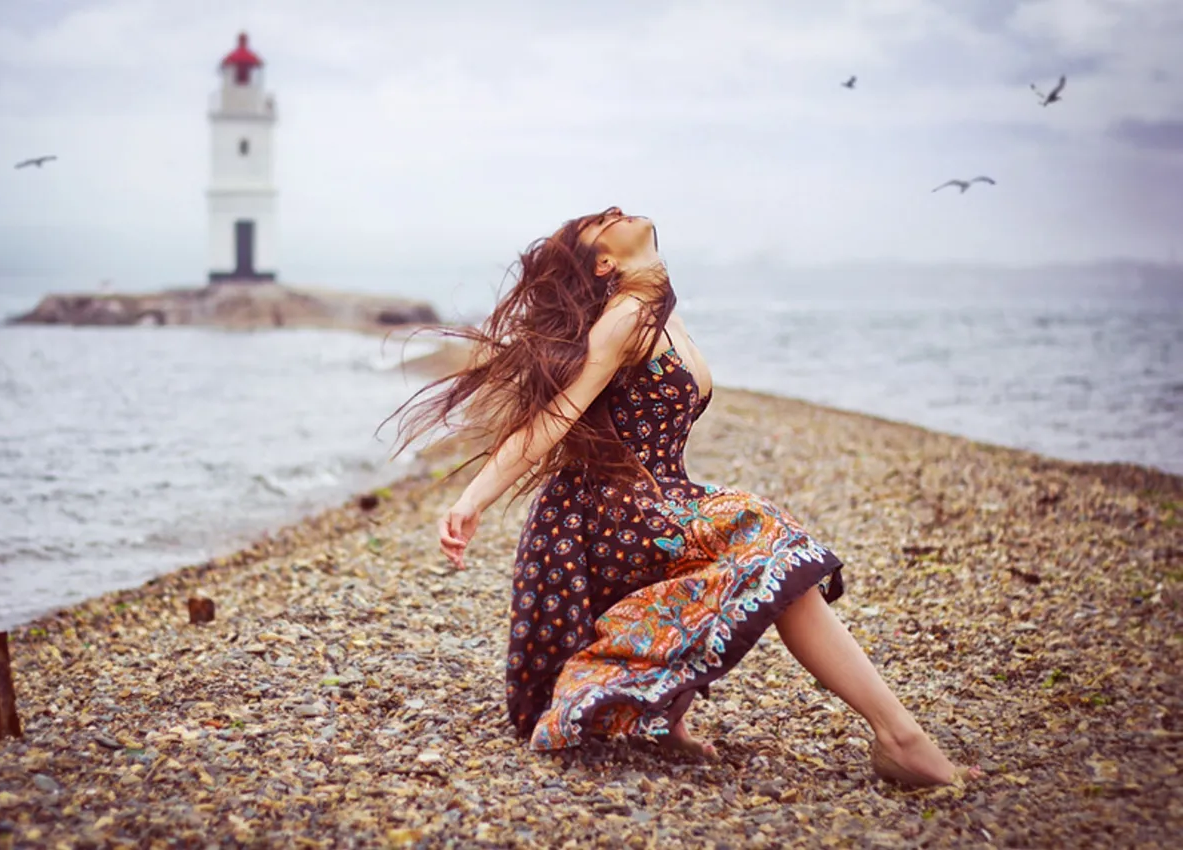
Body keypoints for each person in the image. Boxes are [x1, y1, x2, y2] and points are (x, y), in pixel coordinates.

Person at [390, 207, 980, 786]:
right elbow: (555, 418)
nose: (616, 210)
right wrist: (472, 499)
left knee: (762, 552)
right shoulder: (625, 318)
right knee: (765, 538)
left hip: (655, 497)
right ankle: (901, 739)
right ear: (604, 263)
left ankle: (668, 719)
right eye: (601, 222)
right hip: (602, 513)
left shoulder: (659, 312)